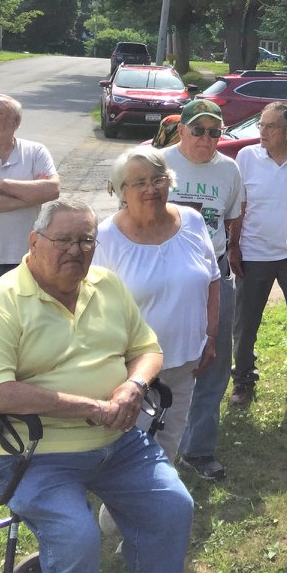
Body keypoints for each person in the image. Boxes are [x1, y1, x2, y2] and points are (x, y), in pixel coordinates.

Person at [0, 197, 193, 573]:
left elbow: (147, 349)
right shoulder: (0, 302)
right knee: (77, 537)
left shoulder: (106, 284)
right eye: (62, 240)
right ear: (33, 242)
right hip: (36, 452)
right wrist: (93, 408)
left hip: (119, 442)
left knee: (172, 508)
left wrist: (133, 385)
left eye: (86, 241)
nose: (76, 251)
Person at [95, 149, 219, 462]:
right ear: (121, 190)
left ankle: (159, 507)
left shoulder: (191, 220)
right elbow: (91, 305)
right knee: (128, 456)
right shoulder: (106, 237)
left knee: (168, 446)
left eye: (158, 179)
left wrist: (211, 336)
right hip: (129, 371)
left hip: (184, 361)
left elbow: (213, 278)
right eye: (138, 183)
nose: (151, 189)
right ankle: (122, 510)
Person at [160, 99, 242, 481]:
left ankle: (198, 449)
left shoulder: (229, 169)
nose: (207, 139)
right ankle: (150, 448)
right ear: (182, 130)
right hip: (164, 280)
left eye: (215, 132)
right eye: (199, 130)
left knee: (213, 363)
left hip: (215, 277)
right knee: (157, 361)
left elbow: (232, 219)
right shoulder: (157, 165)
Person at [230, 102, 287, 406]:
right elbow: (239, 206)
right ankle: (243, 380)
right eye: (261, 125)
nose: (262, 132)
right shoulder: (246, 156)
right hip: (254, 254)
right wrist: (233, 245)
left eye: (270, 126)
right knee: (245, 325)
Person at [0, 93, 59, 283]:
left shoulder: (35, 151)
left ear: (15, 121)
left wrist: (1, 185)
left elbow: (52, 190)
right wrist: (31, 196)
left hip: (27, 256)